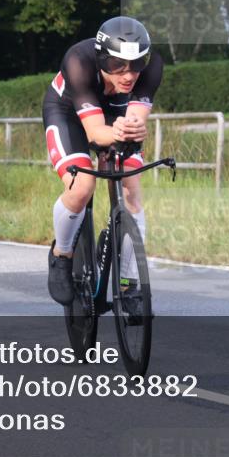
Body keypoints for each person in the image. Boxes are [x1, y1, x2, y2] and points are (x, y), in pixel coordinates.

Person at [41, 16, 163, 305]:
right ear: (101, 59)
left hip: (114, 115)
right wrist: (115, 132)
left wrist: (130, 130)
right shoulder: (78, 61)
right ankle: (62, 255)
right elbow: (95, 134)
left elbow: (134, 121)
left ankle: (128, 282)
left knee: (132, 191)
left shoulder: (152, 66)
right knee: (82, 186)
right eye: (117, 66)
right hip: (68, 113)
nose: (128, 75)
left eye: (136, 66)